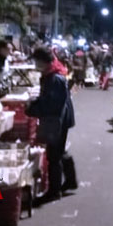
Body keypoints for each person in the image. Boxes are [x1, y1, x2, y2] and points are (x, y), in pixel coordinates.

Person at [27, 47, 77, 202]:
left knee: (53, 155)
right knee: (59, 151)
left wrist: (32, 108)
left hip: (58, 120)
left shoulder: (54, 78)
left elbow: (53, 104)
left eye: (36, 61)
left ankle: (54, 191)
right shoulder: (53, 74)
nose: (35, 64)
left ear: (43, 61)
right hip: (61, 118)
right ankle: (70, 181)